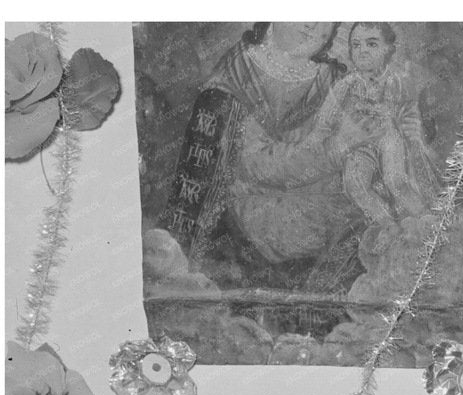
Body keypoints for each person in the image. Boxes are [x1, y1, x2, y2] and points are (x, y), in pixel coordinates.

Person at [162, 23, 378, 288]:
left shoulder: (334, 79)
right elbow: (258, 164)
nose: (312, 23)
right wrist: (336, 150)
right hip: (251, 225)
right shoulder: (236, 77)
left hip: (327, 218)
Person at [327, 22, 441, 225]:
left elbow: (411, 115)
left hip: (390, 137)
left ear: (390, 50)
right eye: (356, 45)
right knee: (355, 183)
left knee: (396, 179)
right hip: (359, 143)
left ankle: (425, 221)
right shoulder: (346, 85)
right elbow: (327, 120)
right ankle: (387, 226)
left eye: (371, 44)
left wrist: (410, 129)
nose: (362, 51)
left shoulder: (398, 82)